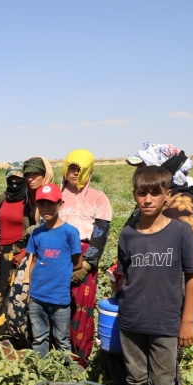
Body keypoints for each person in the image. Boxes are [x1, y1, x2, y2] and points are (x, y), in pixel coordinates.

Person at [115, 166, 193, 385]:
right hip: (131, 322)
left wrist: (186, 322)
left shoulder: (179, 232)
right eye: (142, 194)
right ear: (134, 195)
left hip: (165, 322)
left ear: (167, 195)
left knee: (163, 384)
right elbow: (122, 276)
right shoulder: (127, 235)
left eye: (155, 193)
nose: (148, 199)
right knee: (135, 379)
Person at [60, 149, 113, 367]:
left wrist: (87, 264)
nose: (74, 174)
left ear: (88, 171)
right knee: (57, 304)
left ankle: (80, 357)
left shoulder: (98, 198)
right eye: (71, 168)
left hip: (84, 256)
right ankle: (57, 354)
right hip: (58, 253)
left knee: (81, 306)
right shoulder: (57, 194)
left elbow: (100, 234)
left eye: (79, 170)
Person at [2, 156, 55, 348]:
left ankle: (43, 345)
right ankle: (29, 341)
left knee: (34, 298)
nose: (30, 178)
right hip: (32, 253)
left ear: (45, 175)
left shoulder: (49, 195)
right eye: (28, 175)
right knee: (21, 299)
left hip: (47, 256)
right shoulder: (30, 197)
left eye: (35, 174)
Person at [25, 183, 83, 358]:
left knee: (61, 339)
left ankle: (65, 376)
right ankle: (41, 372)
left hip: (59, 297)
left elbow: (78, 263)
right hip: (37, 296)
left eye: (51, 203)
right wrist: (29, 289)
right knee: (39, 338)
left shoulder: (70, 233)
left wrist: (59, 270)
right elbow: (33, 261)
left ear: (61, 204)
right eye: (42, 204)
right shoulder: (36, 233)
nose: (46, 208)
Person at [0, 162, 29, 333]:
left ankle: (7, 328)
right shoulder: (2, 198)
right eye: (11, 178)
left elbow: (33, 227)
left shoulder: (28, 200)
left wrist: (24, 251)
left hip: (17, 251)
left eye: (18, 178)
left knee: (12, 291)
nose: (14, 181)